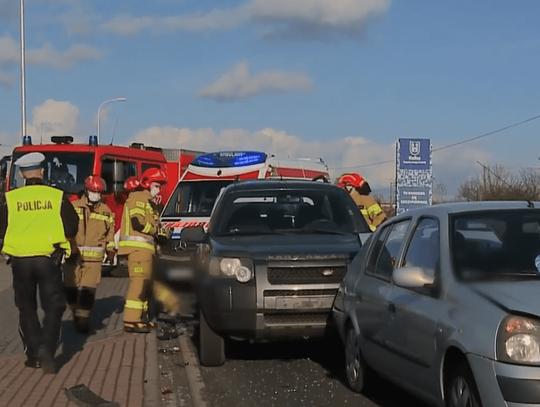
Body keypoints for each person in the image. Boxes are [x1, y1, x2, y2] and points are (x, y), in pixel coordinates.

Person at [0, 152, 78, 373]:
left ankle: (33, 355)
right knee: (53, 306)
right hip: (48, 259)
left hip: (20, 261)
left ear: (23, 174)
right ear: (42, 171)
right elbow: (72, 227)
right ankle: (49, 352)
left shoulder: (10, 199)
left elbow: (1, 228)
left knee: (26, 307)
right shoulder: (56, 196)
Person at [117, 168, 168, 333]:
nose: (158, 188)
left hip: (146, 250)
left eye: (160, 185)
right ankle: (131, 320)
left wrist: (161, 233)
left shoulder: (149, 202)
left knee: (145, 285)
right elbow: (137, 223)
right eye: (156, 184)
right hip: (137, 249)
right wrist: (156, 231)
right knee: (138, 284)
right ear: (147, 183)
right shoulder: (139, 198)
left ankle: (143, 318)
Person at [63, 175, 115, 333]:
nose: (97, 195)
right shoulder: (73, 206)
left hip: (94, 260)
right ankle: (76, 312)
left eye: (99, 192)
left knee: (88, 291)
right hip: (73, 257)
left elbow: (110, 233)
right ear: (86, 191)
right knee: (70, 289)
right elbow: (65, 230)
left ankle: (82, 322)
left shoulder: (106, 211)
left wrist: (111, 250)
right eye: (94, 191)